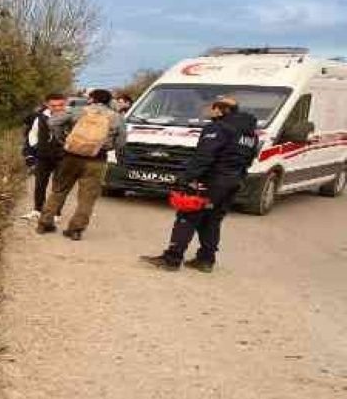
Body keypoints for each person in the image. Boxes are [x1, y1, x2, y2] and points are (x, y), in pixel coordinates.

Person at [141, 97, 258, 272]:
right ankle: (206, 260)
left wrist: (186, 179)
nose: (207, 111)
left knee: (187, 217)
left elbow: (203, 157)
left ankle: (172, 258)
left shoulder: (218, 128)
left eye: (210, 107)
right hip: (233, 181)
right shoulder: (250, 134)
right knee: (212, 219)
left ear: (220, 110)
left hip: (211, 181)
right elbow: (249, 159)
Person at [36, 89, 126, 240]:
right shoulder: (116, 117)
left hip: (71, 156)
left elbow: (52, 122)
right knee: (87, 197)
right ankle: (75, 230)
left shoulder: (77, 111)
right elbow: (121, 141)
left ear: (91, 99)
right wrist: (108, 146)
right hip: (97, 159)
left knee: (59, 190)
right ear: (109, 101)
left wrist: (63, 139)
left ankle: (44, 223)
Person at [19, 93, 69, 220]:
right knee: (40, 184)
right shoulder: (40, 117)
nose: (57, 108)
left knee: (59, 186)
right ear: (47, 104)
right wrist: (35, 149)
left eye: (61, 105)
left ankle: (56, 213)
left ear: (66, 103)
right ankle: (37, 210)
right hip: (43, 156)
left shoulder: (70, 118)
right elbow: (33, 135)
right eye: (54, 105)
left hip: (63, 157)